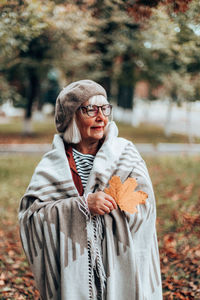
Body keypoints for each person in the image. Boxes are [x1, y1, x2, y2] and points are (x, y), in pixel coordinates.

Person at [19, 79, 162, 300]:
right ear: (71, 117)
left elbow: (146, 207)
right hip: (72, 275)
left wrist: (110, 212)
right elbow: (32, 217)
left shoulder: (126, 155)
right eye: (90, 110)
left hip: (120, 266)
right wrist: (82, 206)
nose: (101, 117)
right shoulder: (53, 165)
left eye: (105, 109)